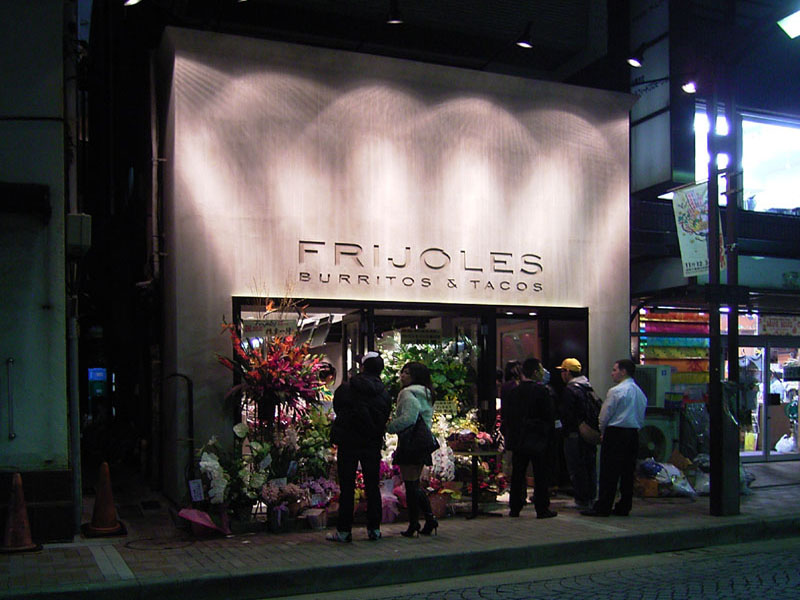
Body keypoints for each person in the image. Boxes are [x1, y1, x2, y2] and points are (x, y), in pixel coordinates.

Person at [327, 352, 392, 542]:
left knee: (347, 487)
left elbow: (338, 408)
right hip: (371, 442)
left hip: (348, 441)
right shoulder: (384, 393)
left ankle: (344, 531)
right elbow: (384, 415)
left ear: (363, 368)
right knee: (372, 486)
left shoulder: (346, 388)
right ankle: (374, 529)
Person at [582, 359, 647, 517]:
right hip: (633, 433)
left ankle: (604, 506)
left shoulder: (616, 391)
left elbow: (605, 415)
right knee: (627, 472)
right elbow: (641, 415)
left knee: (609, 472)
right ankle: (624, 505)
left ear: (623, 372)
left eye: (614, 370)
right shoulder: (640, 393)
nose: (612, 373)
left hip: (615, 433)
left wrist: (602, 430)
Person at [501, 357, 558, 519]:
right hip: (537, 439)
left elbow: (508, 416)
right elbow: (549, 416)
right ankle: (542, 508)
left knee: (518, 474)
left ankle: (515, 507)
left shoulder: (514, 392)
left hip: (518, 439)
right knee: (540, 474)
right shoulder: (542, 391)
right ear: (534, 372)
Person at [386, 361, 438, 537]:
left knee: (411, 484)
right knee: (414, 484)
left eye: (407, 373)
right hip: (423, 442)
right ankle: (427, 520)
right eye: (402, 372)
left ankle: (416, 523)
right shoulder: (426, 393)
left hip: (411, 442)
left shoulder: (407, 393)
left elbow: (409, 418)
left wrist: (390, 426)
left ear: (415, 376)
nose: (402, 376)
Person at [556, 357, 597, 510]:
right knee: (589, 466)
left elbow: (566, 415)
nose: (561, 375)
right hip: (588, 433)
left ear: (567, 372)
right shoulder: (587, 387)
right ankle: (591, 496)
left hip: (574, 434)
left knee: (576, 467)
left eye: (562, 371)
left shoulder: (570, 390)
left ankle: (581, 499)